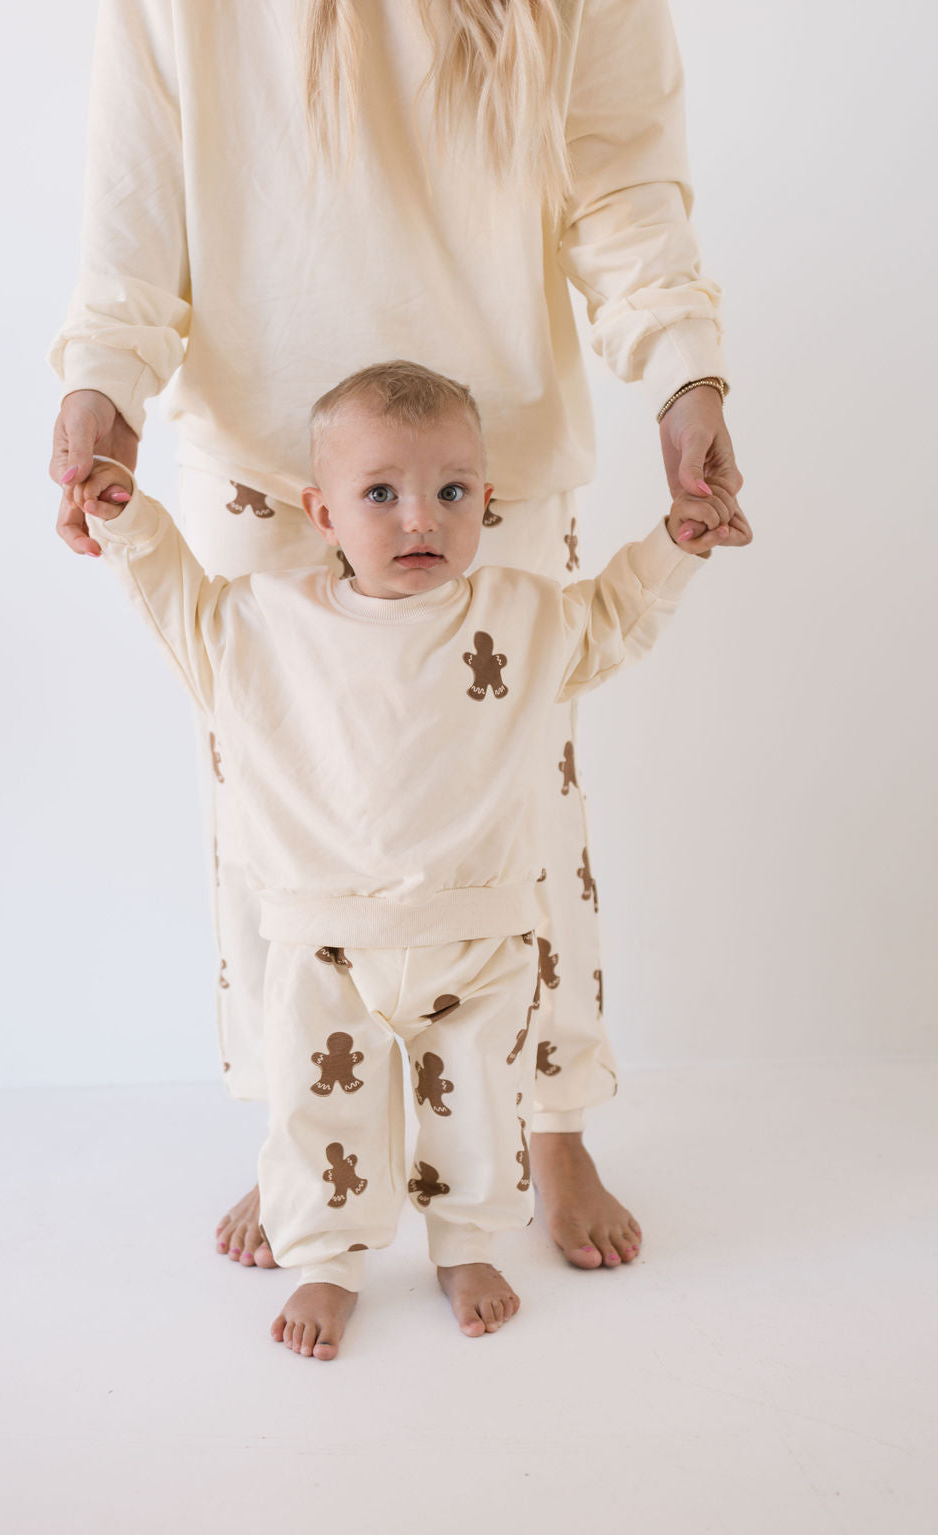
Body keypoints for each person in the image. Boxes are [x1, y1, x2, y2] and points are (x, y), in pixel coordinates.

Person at [48, 0, 745, 1274]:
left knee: (521, 810)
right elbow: (137, 189)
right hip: (272, 454)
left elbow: (622, 172)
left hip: (489, 458)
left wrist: (685, 370)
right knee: (279, 816)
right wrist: (104, 376)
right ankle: (306, 1142)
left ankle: (548, 1122)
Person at [71, 359, 752, 1358]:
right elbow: (176, 597)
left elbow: (608, 618)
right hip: (324, 939)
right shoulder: (268, 620)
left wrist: (674, 544)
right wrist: (128, 518)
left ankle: (466, 1243)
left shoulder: (516, 616)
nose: (419, 517)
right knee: (319, 1110)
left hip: (476, 936)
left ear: (487, 498)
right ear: (322, 510)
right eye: (380, 492)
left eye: (451, 491)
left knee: (478, 1108)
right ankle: (328, 1261)